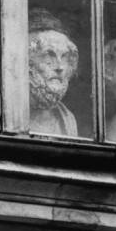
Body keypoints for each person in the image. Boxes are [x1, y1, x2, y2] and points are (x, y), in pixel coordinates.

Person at [29, 8, 79, 137]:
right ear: (27, 61)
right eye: (49, 55)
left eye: (64, 57)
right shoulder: (11, 112)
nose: (60, 66)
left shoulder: (68, 119)